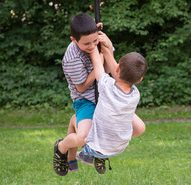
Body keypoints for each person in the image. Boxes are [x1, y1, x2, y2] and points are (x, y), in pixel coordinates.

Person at [53, 13, 145, 176]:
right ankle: (62, 147)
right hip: (86, 100)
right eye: (86, 44)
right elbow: (81, 88)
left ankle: (101, 145)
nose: (92, 46)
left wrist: (107, 47)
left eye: (95, 41)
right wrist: (98, 64)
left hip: (108, 97)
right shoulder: (71, 58)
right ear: (74, 40)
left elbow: (115, 71)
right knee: (84, 137)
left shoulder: (100, 42)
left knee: (138, 128)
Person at [71, 31, 147, 174]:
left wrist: (93, 45)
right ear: (139, 80)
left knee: (82, 127)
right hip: (118, 147)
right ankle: (103, 148)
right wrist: (107, 46)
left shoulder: (107, 85)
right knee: (140, 128)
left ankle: (87, 151)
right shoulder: (135, 94)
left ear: (118, 68)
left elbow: (98, 64)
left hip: (99, 145)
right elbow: (117, 71)